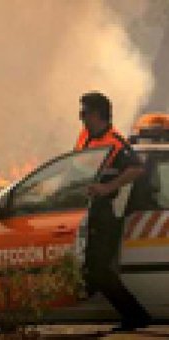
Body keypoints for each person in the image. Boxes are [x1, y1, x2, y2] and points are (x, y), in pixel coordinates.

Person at [75, 92, 152, 331]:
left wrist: (109, 187)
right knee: (87, 267)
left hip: (106, 214)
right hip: (84, 213)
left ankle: (135, 315)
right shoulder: (85, 137)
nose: (81, 118)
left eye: (83, 113)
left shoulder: (116, 142)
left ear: (96, 114)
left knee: (97, 269)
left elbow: (137, 169)